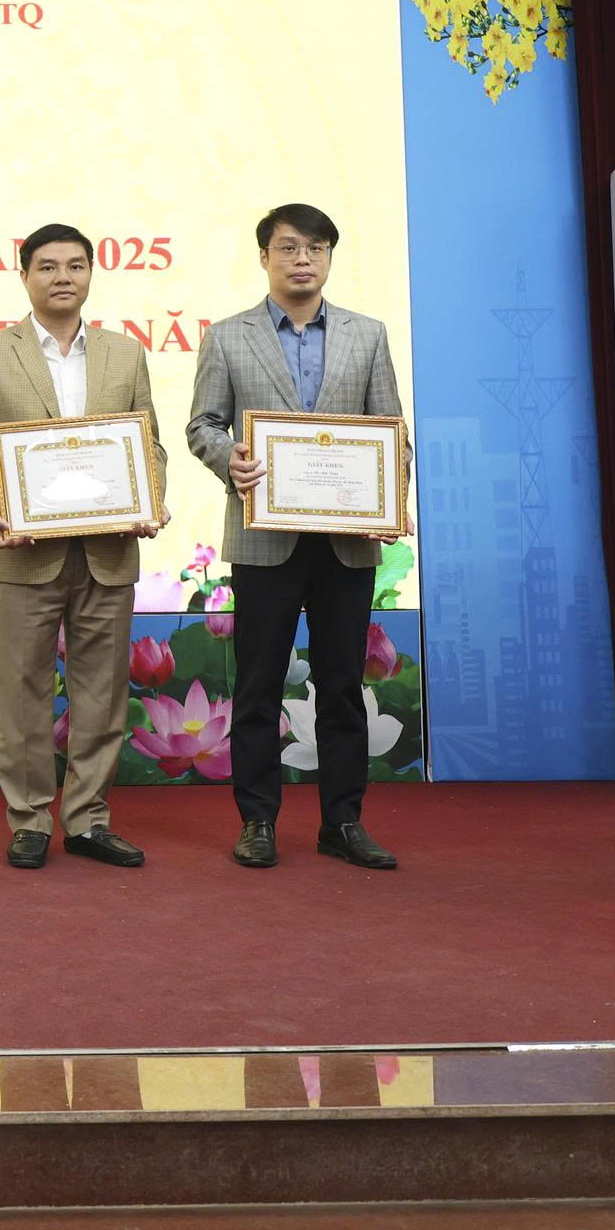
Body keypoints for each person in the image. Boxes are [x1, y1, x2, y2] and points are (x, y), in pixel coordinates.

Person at [186, 204, 406, 871]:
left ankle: (343, 821)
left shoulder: (368, 336)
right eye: (288, 247)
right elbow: (202, 425)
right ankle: (257, 821)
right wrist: (229, 458)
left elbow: (391, 433)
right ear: (265, 257)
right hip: (264, 537)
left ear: (330, 257)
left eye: (315, 247)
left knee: (342, 686)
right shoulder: (228, 337)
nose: (302, 259)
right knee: (258, 686)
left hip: (346, 540)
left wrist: (391, 500)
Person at [0, 223, 168, 870]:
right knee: (22, 694)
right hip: (24, 554)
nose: (62, 276)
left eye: (75, 265)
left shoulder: (125, 353)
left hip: (108, 551)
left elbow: (149, 445)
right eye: (47, 266)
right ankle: (29, 820)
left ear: (91, 273)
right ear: (24, 275)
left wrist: (149, 498)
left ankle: (90, 819)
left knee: (103, 693)